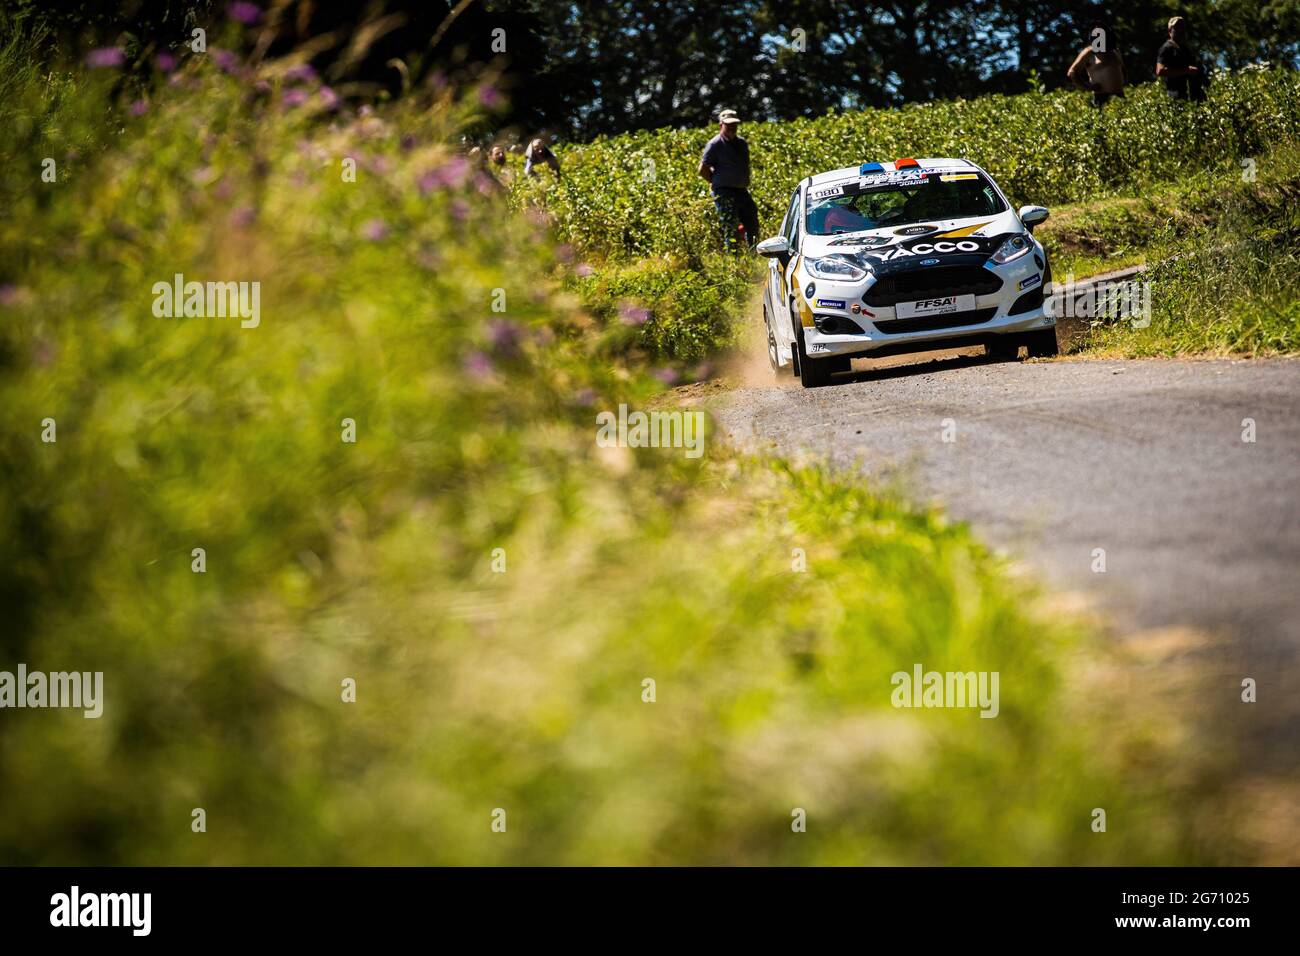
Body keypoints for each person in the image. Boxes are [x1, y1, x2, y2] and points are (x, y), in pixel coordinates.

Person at [698, 108, 758, 251]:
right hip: (723, 191)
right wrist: (716, 182)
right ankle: (733, 258)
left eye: (734, 125)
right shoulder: (715, 144)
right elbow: (703, 169)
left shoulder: (741, 143)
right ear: (721, 125)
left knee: (752, 220)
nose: (732, 128)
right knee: (730, 226)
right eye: (728, 125)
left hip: (741, 190)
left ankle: (754, 253)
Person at [1067, 20, 1125, 107]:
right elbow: (1072, 73)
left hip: (1119, 96)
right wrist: (1087, 87)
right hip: (1101, 98)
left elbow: (1123, 70)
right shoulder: (1089, 52)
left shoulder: (1115, 51)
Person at [1156, 16, 1207, 101]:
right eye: (1177, 27)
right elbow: (1160, 71)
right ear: (1169, 30)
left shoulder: (1185, 49)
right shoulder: (1166, 48)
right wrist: (1186, 70)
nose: (1180, 30)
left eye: (1182, 27)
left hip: (1193, 97)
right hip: (1177, 97)